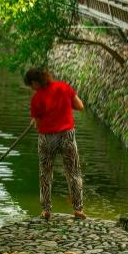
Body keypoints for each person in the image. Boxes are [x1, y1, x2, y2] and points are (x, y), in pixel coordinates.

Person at [24, 68, 86, 220]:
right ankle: (78, 210)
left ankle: (46, 210)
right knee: (73, 173)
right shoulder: (64, 87)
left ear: (35, 82)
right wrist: (63, 105)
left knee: (45, 174)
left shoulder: (36, 99)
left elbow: (38, 124)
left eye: (31, 85)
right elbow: (80, 106)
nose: (32, 89)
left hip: (47, 138)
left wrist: (35, 120)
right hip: (67, 136)